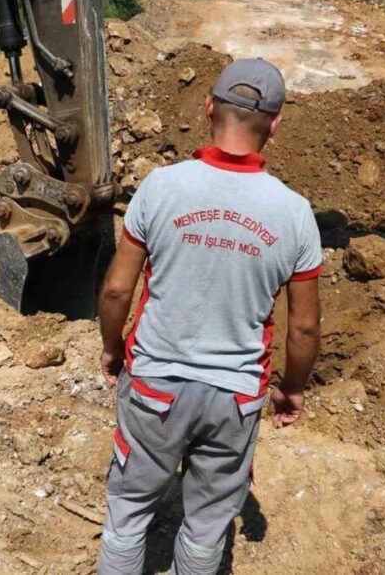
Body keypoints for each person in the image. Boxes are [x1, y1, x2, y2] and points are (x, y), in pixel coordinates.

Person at [96, 58, 323, 574]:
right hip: (235, 397)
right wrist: (292, 387)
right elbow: (304, 325)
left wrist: (113, 348)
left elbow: (115, 290)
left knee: (128, 514)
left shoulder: (160, 187)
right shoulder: (294, 213)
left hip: (155, 384)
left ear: (207, 109)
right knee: (206, 528)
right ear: (276, 124)